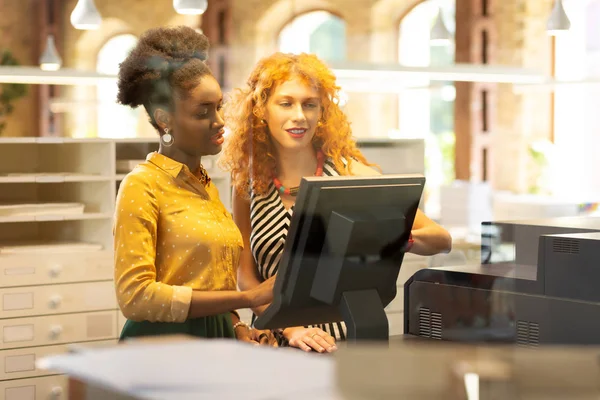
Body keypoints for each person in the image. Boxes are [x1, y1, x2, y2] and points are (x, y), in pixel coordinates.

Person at [219, 52, 452, 352]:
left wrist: (396, 240)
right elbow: (247, 280)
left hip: (345, 341)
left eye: (310, 104)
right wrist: (291, 330)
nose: (299, 115)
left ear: (322, 111)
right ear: (262, 109)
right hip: (274, 344)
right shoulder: (248, 185)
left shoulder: (350, 173)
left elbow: (441, 239)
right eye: (286, 103)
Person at [114, 26, 276, 345]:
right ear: (165, 120)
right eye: (203, 112)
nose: (219, 121)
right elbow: (135, 297)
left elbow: (213, 283)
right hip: (162, 346)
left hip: (216, 340)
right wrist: (248, 297)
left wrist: (239, 327)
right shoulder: (141, 186)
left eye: (218, 107)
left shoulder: (206, 187)